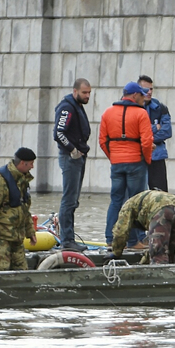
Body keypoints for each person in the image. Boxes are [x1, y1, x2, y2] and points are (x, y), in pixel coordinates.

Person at [100, 81, 154, 249]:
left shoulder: (107, 113)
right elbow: (147, 142)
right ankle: (133, 241)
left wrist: (113, 157)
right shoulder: (141, 114)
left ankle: (110, 238)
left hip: (117, 163)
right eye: (142, 95)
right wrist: (146, 159)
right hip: (136, 162)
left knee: (116, 200)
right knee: (135, 202)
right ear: (134, 95)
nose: (144, 98)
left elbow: (103, 141)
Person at [0, 148, 38, 271]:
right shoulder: (0, 182)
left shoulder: (23, 181)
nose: (32, 167)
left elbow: (25, 209)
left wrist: (30, 232)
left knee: (22, 272)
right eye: (31, 163)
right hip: (0, 238)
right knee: (0, 272)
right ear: (22, 163)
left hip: (17, 238)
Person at [53, 78, 91, 252]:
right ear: (75, 91)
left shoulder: (77, 106)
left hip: (78, 157)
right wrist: (72, 150)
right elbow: (58, 133)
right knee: (68, 200)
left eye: (89, 93)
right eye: (84, 93)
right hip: (71, 158)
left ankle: (69, 238)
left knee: (73, 200)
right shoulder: (67, 107)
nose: (87, 96)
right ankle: (67, 240)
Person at [109, 190, 175, 264]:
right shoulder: (141, 204)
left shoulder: (126, 208)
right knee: (169, 248)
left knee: (158, 255)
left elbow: (120, 232)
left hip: (161, 209)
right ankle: (171, 271)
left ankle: (159, 274)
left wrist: (116, 252)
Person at [137, 75, 172, 192]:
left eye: (151, 89)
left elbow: (167, 132)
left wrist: (145, 137)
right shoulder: (132, 108)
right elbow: (134, 132)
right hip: (138, 156)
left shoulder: (160, 108)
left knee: (160, 193)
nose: (149, 92)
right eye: (146, 89)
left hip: (156, 156)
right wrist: (154, 128)